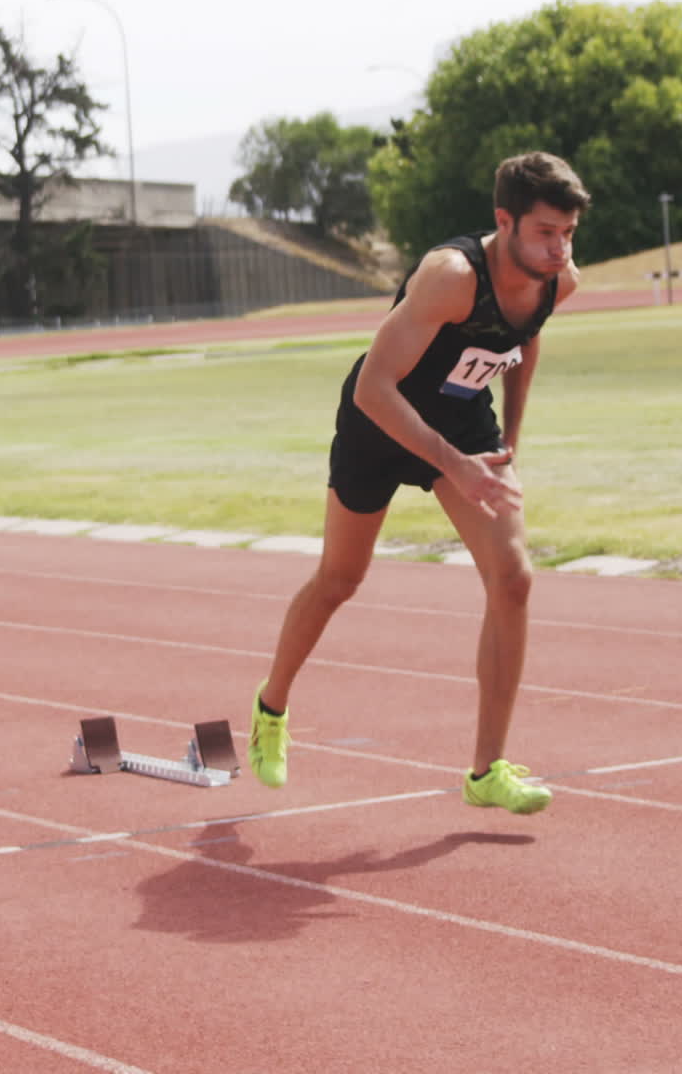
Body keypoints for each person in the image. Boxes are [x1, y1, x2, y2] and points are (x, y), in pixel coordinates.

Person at [248, 150, 590, 813]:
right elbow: (376, 388)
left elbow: (525, 340)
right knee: (340, 580)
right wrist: (452, 464)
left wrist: (509, 438)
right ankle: (271, 707)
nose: (558, 249)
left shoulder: (557, 280)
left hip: (463, 422)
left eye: (568, 234)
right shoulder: (451, 276)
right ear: (505, 221)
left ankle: (486, 772)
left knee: (514, 577)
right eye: (546, 232)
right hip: (381, 421)